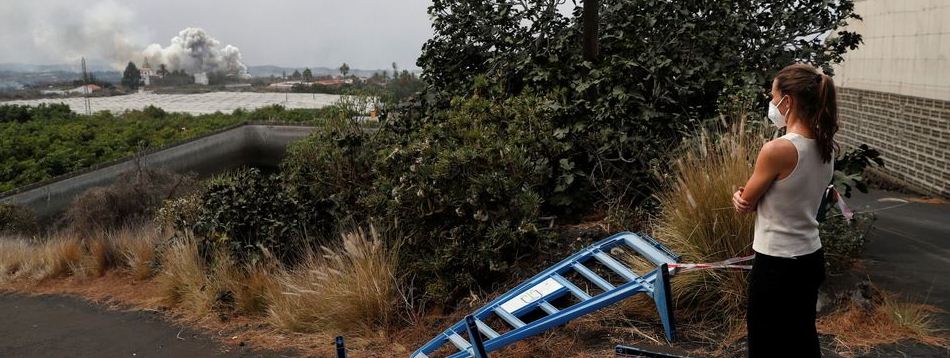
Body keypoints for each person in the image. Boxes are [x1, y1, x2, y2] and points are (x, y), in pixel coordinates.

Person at [732, 63, 838, 357]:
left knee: (766, 345)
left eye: (773, 96)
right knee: (802, 338)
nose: (771, 103)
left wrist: (738, 196)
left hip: (777, 263)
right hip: (810, 256)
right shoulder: (827, 145)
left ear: (787, 101)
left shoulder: (777, 149)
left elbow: (747, 201)